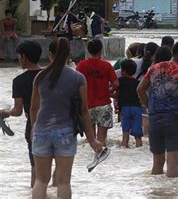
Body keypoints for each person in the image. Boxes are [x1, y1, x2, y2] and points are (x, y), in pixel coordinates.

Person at [29, 37, 102, 199]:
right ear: (69, 55)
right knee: (63, 182)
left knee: (41, 180)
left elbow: (34, 108)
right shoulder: (78, 78)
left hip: (42, 132)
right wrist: (92, 140)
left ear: (50, 54)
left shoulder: (40, 77)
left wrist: (35, 129)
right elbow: (84, 111)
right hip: (66, 133)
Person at [137, 40, 178, 178]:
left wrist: (149, 106)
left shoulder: (154, 68)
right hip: (175, 118)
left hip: (155, 118)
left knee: (157, 163)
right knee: (172, 164)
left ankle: (157, 192)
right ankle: (171, 193)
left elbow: (139, 89)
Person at [0, 41, 42, 187]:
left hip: (34, 127)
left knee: (37, 172)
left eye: (19, 56)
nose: (18, 59)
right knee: (60, 170)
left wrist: (4, 112)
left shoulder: (19, 81)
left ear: (24, 57)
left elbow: (17, 111)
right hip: (58, 124)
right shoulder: (48, 75)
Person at [76, 39, 118, 146]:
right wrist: (108, 92)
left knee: (91, 141)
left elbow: (75, 84)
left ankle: (90, 160)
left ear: (88, 51)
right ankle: (102, 160)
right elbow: (116, 84)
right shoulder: (107, 65)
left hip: (87, 106)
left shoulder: (81, 65)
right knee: (102, 140)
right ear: (101, 50)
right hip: (103, 105)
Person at [117, 59, 143, 148]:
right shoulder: (137, 82)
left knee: (125, 133)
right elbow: (141, 96)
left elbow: (116, 93)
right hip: (136, 108)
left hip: (125, 108)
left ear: (123, 71)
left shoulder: (120, 81)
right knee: (138, 134)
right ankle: (139, 149)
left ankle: (124, 150)